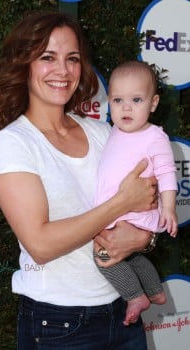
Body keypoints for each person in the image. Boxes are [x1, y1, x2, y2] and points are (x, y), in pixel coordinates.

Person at [0, 12, 158, 350]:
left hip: (123, 310)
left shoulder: (101, 131)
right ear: (25, 64)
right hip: (59, 326)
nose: (63, 71)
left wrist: (143, 239)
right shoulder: (13, 143)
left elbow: (146, 198)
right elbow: (41, 244)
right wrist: (120, 204)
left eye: (73, 59)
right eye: (48, 57)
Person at [94, 60, 178, 327]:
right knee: (130, 255)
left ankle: (135, 296)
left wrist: (168, 207)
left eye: (136, 100)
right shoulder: (114, 132)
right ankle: (154, 290)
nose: (126, 107)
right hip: (118, 212)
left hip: (134, 213)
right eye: (118, 100)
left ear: (153, 104)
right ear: (109, 101)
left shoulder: (154, 137)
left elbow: (166, 173)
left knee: (102, 257)